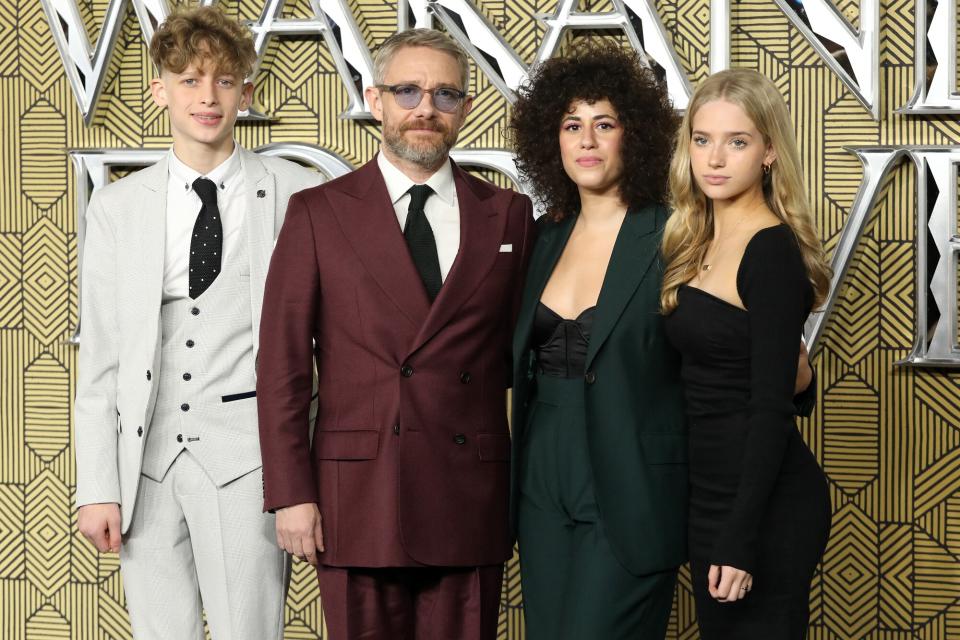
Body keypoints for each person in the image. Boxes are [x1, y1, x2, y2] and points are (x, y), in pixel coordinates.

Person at [255, 28, 535, 640]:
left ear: (465, 108)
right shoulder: (317, 211)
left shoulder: (508, 214)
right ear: (374, 99)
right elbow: (282, 367)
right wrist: (290, 493)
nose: (426, 108)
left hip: (470, 490)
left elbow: (521, 355)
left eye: (446, 94)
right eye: (407, 90)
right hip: (357, 492)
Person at [73, 7, 322, 639]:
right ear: (160, 90)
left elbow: (322, 344)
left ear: (246, 90)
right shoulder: (117, 206)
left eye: (224, 80)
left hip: (250, 460)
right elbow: (101, 355)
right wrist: (98, 484)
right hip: (145, 465)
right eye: (189, 80)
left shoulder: (298, 195)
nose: (207, 97)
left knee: (250, 632)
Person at [661, 68, 832, 638]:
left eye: (737, 142)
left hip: (763, 506)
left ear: (769, 153)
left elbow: (771, 408)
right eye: (702, 139)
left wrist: (741, 537)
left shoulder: (772, 251)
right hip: (710, 495)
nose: (715, 158)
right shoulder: (693, 240)